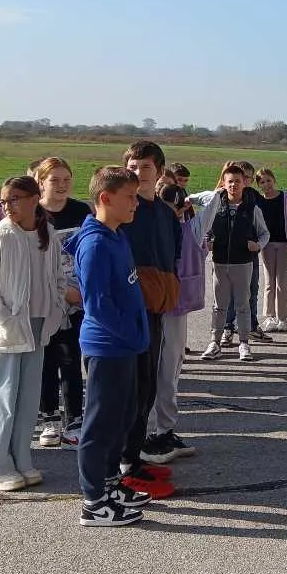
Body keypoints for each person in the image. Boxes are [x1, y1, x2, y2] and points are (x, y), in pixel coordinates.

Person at [65, 165, 154, 527]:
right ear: (105, 198)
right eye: (129, 197)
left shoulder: (117, 235)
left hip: (127, 346)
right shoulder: (97, 244)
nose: (136, 203)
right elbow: (98, 305)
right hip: (108, 347)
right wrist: (131, 335)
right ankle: (93, 501)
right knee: (101, 424)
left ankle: (110, 484)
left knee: (123, 418)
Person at [0, 176, 69, 492]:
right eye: (4, 201)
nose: (7, 206)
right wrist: (5, 317)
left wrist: (55, 312)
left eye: (14, 199)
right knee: (4, 396)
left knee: (28, 398)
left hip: (39, 326)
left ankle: (22, 457)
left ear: (33, 199)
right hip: (11, 329)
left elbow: (58, 278)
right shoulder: (3, 236)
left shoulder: (48, 235)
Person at [118, 141, 182, 497]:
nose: (139, 172)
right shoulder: (122, 209)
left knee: (147, 384)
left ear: (159, 171)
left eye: (145, 167)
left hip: (154, 310)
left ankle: (135, 454)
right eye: (133, 165)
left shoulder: (164, 214)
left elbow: (171, 256)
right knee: (126, 388)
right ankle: (122, 464)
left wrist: (165, 289)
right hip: (127, 310)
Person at [145, 183, 204, 463]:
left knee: (171, 366)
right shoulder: (145, 217)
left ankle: (165, 428)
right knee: (150, 368)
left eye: (177, 206)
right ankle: (145, 431)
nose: (172, 211)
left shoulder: (186, 227)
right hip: (152, 302)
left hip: (175, 304)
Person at [35, 157, 89, 448]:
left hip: (75, 299)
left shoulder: (81, 211)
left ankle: (74, 420)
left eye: (66, 179)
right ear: (41, 182)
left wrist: (79, 288)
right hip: (43, 300)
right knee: (46, 360)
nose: (62, 185)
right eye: (54, 180)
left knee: (70, 358)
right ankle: (49, 419)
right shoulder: (35, 214)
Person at [197, 162, 269, 362]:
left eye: (237, 181)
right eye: (230, 182)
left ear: (244, 184)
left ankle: (244, 344)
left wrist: (258, 245)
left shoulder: (251, 208)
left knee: (242, 305)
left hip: (243, 264)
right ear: (224, 183)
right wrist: (207, 242)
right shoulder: (215, 207)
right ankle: (215, 343)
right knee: (219, 306)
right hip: (219, 263)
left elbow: (264, 233)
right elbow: (205, 231)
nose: (233, 185)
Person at [254, 169, 287, 334]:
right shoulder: (258, 201)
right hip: (267, 244)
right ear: (259, 185)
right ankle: (269, 316)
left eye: (268, 180)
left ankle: (282, 318)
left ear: (274, 180)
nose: (266, 185)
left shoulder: (286, 197)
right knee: (269, 281)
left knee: (281, 281)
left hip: (284, 244)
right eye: (262, 182)